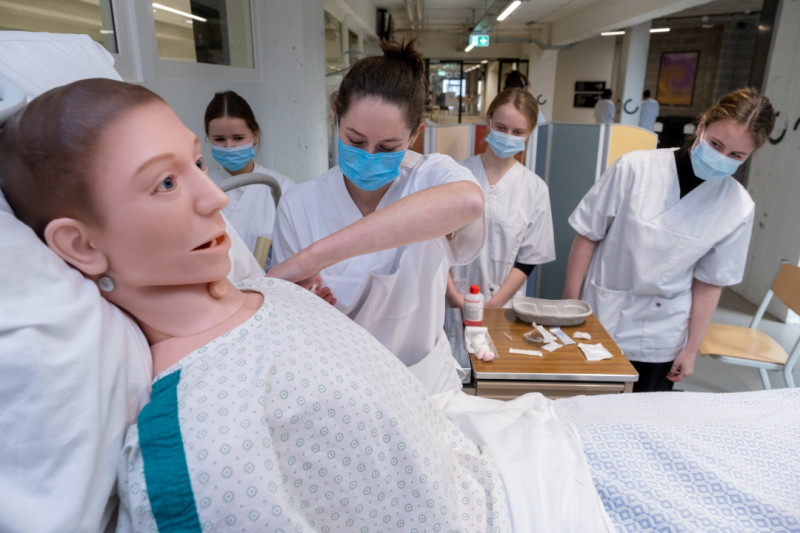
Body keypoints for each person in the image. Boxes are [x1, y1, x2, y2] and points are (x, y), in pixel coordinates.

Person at [0, 77, 614, 533]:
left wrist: (289, 282)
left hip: (506, 457)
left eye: (194, 163)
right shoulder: (202, 429)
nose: (215, 195)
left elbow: (463, 205)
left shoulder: (268, 292)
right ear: (80, 245)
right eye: (165, 182)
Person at [270, 40, 486, 397]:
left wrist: (313, 258)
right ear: (335, 115)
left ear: (416, 134)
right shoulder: (299, 204)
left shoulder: (428, 178)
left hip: (425, 390)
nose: (369, 157)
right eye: (354, 141)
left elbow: (469, 203)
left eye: (387, 148)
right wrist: (305, 310)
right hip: (338, 392)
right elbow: (286, 324)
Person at [563, 87, 776, 392]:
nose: (720, 158)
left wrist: (691, 348)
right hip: (602, 312)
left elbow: (710, 282)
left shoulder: (738, 206)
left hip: (662, 332)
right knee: (584, 408)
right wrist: (572, 306)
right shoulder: (635, 168)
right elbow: (587, 235)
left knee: (644, 421)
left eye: (736, 155)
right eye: (716, 144)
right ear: (701, 126)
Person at [448, 88, 555, 308]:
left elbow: (527, 261)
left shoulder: (535, 189)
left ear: (529, 134)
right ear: (489, 122)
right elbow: (435, 244)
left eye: (517, 132)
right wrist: (454, 297)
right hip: (451, 299)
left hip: (502, 305)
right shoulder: (456, 175)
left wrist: (494, 304)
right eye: (501, 128)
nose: (507, 137)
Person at [204, 90, 296, 254]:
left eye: (238, 138)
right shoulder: (200, 186)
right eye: (219, 139)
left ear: (254, 136)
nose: (229, 146)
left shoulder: (283, 188)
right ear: (209, 138)